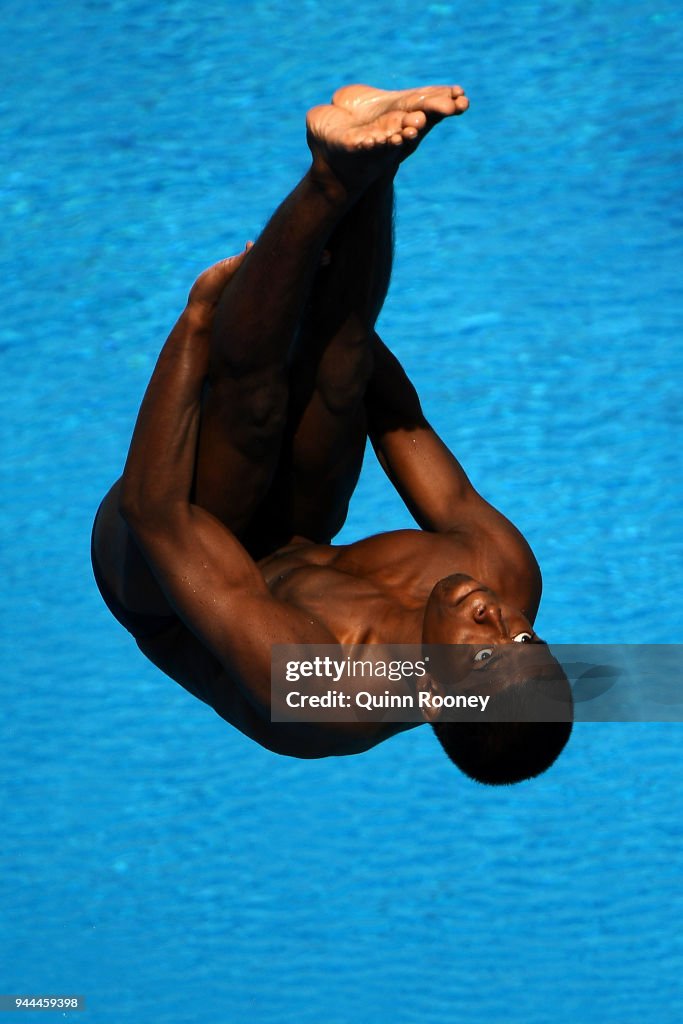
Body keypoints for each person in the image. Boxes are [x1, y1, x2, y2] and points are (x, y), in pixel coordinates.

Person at [92, 84, 572, 783]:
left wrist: (201, 317)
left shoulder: (322, 695)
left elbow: (156, 512)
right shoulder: (503, 572)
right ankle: (371, 154)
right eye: (524, 635)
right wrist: (313, 289)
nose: (493, 616)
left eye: (484, 649)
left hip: (159, 569)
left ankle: (326, 178)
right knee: (342, 371)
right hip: (296, 532)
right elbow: (399, 418)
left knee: (249, 411)